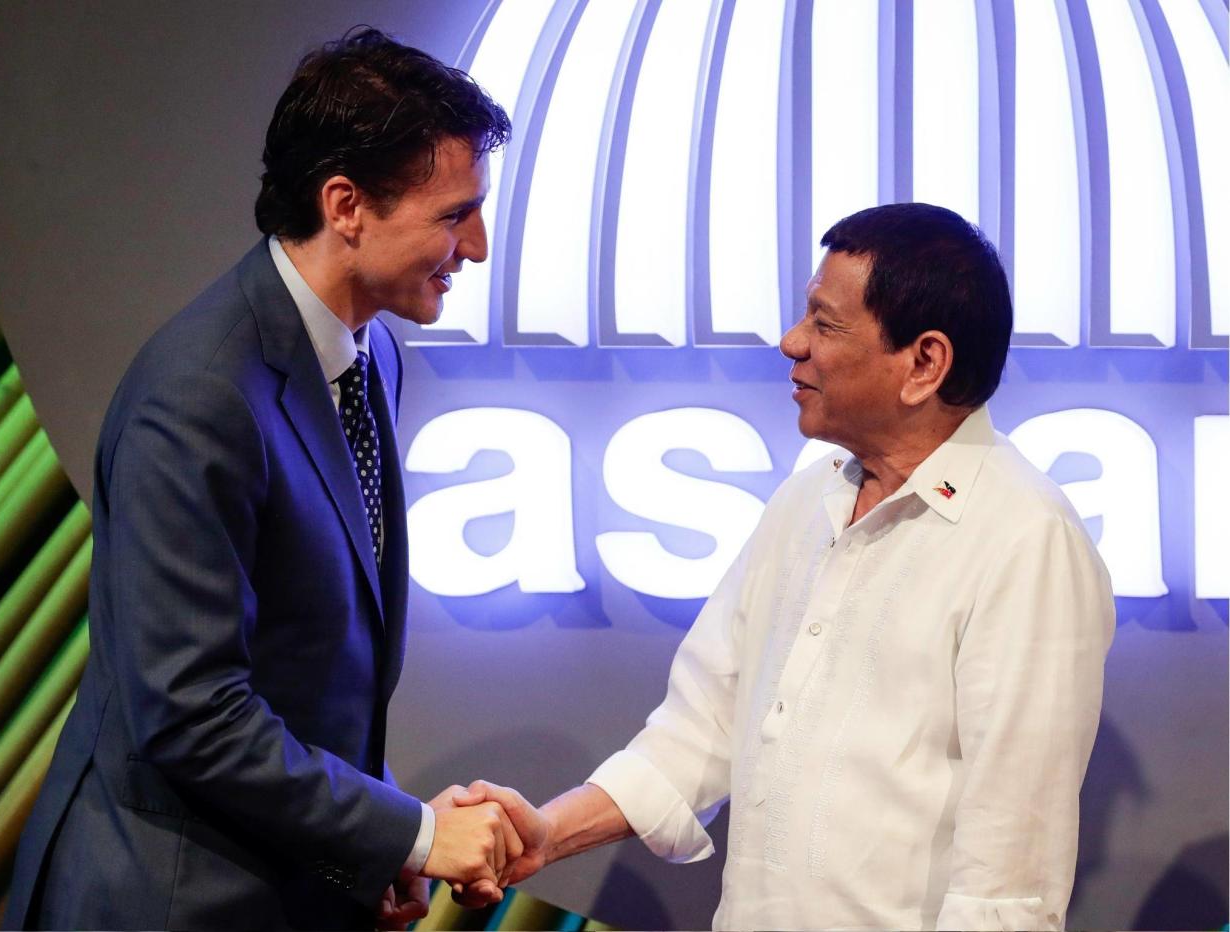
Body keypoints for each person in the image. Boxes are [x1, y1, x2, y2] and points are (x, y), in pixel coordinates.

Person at [457, 203, 1116, 930]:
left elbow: (1008, 880)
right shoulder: (808, 497)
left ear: (925, 362)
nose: (791, 341)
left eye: (825, 324)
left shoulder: (1027, 539)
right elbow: (700, 729)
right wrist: (548, 833)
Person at [6, 28, 522, 931]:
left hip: (279, 884)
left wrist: (374, 844)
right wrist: (408, 835)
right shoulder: (199, 395)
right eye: (453, 214)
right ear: (345, 204)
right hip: (169, 900)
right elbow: (192, 712)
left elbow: (307, 672)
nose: (475, 245)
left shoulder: (375, 359)